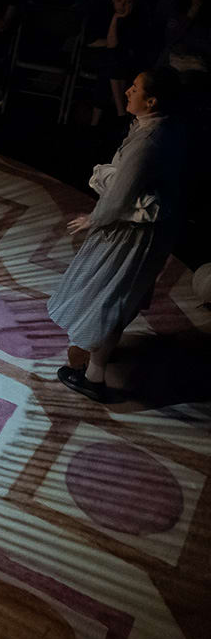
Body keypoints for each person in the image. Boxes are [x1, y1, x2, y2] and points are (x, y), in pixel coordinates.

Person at [49, 67, 186, 402]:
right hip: (140, 230)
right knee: (113, 294)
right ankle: (98, 361)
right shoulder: (154, 129)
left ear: (151, 100)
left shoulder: (149, 142)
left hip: (132, 234)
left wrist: (94, 220)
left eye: (135, 88)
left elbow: (120, 197)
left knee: (109, 295)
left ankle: (94, 376)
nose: (127, 91)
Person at [82, 0, 149, 128]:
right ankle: (121, 112)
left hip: (118, 62)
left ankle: (95, 124)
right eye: (119, 0)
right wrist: (115, 19)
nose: (123, 5)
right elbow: (95, 42)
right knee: (112, 58)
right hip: (97, 57)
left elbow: (127, 46)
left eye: (128, 2)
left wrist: (115, 45)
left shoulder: (136, 20)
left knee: (110, 66)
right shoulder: (102, 14)